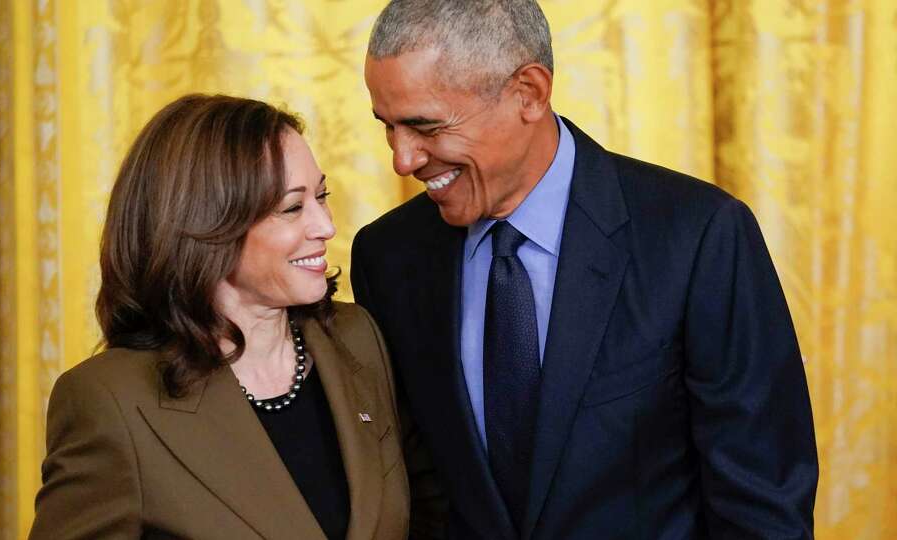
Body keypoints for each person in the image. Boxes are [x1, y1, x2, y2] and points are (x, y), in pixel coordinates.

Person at [350, 1, 819, 539]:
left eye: (425, 126)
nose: (402, 160)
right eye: (388, 128)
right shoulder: (388, 256)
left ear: (528, 92)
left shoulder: (697, 236)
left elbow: (762, 503)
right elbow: (414, 487)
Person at [30, 94, 408, 540]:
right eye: (292, 207)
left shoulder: (357, 336)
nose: (325, 225)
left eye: (321, 196)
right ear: (208, 227)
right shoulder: (108, 401)